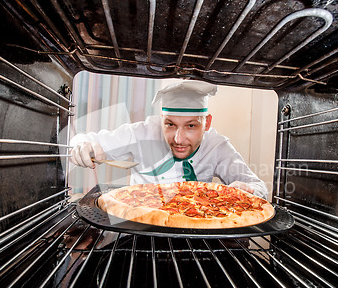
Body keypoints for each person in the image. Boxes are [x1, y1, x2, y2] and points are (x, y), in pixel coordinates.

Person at [70, 80, 268, 199]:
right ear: (161, 120)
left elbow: (260, 188)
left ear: (206, 124)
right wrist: (81, 146)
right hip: (140, 225)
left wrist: (247, 191)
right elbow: (84, 140)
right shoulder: (142, 132)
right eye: (170, 124)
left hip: (195, 227)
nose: (179, 139)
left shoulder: (218, 146)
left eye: (191, 126)